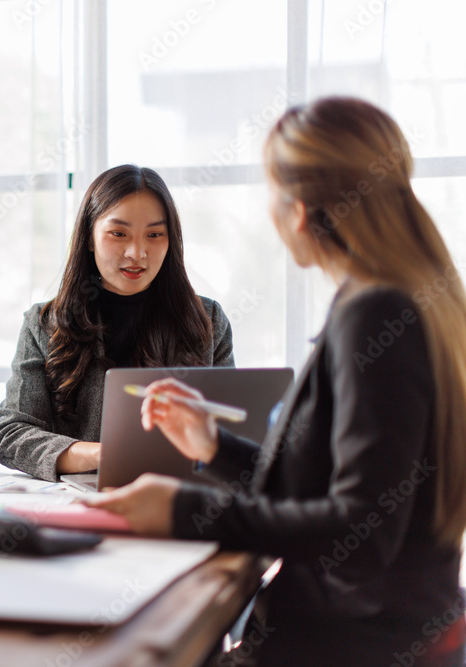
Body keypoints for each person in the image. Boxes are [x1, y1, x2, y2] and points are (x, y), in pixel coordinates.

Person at [86, 98, 466, 666]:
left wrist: (183, 510)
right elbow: (334, 494)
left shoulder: (376, 314)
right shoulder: (402, 299)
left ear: (300, 210)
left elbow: (359, 530)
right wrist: (213, 446)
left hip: (353, 645)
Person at [0, 165, 234, 481]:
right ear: (90, 238)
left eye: (155, 235)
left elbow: (229, 434)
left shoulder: (207, 320)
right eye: (118, 234)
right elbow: (11, 435)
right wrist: (103, 454)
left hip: (179, 498)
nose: (137, 253)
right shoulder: (46, 324)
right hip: (80, 503)